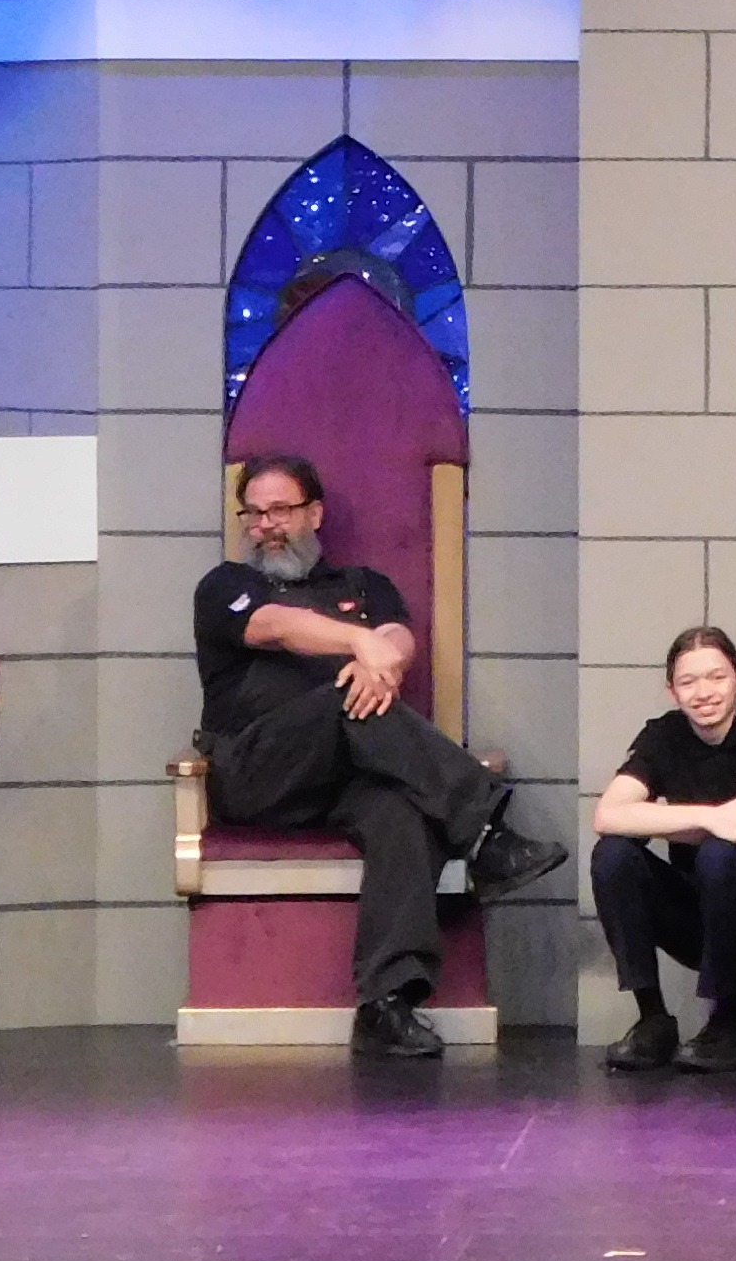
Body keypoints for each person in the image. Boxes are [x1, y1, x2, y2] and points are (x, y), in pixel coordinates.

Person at [189, 451, 565, 1060]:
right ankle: (484, 833)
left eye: (279, 510)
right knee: (346, 698)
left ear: (315, 513)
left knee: (400, 812)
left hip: (343, 778)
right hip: (256, 772)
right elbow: (273, 626)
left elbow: (397, 637)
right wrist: (358, 644)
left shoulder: (364, 585)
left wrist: (380, 658)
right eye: (253, 514)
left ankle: (387, 1003)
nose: (265, 526)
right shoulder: (227, 586)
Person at [587, 623, 736, 1076]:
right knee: (613, 855)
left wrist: (671, 822)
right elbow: (608, 815)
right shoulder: (663, 735)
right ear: (672, 691)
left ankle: (730, 1021)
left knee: (721, 854)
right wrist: (706, 818)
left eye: (717, 677)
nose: (704, 693)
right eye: (688, 682)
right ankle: (652, 1019)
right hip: (697, 916)